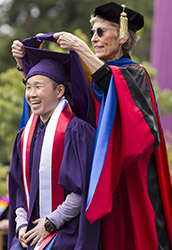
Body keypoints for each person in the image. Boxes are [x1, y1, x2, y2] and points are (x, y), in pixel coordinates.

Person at [11, 3, 172, 250]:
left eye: (101, 32)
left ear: (123, 36)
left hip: (127, 177)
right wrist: (26, 62)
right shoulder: (88, 75)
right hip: (93, 178)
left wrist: (79, 48)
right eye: (92, 32)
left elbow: (117, 93)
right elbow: (53, 97)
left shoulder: (134, 74)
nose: (94, 39)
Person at [9, 38, 100, 250]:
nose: (31, 94)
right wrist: (21, 224)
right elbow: (19, 189)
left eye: (38, 87)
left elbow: (84, 190)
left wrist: (50, 223)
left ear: (60, 91)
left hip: (68, 231)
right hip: (30, 231)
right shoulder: (24, 136)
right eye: (28, 87)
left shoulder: (78, 132)